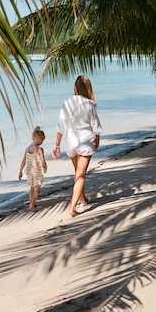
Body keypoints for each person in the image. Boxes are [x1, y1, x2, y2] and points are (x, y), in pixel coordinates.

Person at [52, 75, 102, 216]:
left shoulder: (67, 102)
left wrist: (57, 145)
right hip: (85, 140)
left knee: (78, 174)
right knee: (80, 175)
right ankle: (73, 208)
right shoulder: (89, 104)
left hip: (72, 141)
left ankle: (84, 200)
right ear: (88, 88)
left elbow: (61, 126)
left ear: (75, 87)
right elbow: (95, 125)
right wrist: (97, 138)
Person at [18, 126, 48, 211]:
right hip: (37, 171)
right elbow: (42, 160)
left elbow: (23, 161)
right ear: (37, 138)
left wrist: (20, 171)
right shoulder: (39, 149)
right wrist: (45, 167)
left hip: (30, 171)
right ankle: (32, 204)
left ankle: (32, 203)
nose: (42, 142)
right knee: (37, 189)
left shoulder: (27, 149)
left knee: (32, 187)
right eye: (42, 140)